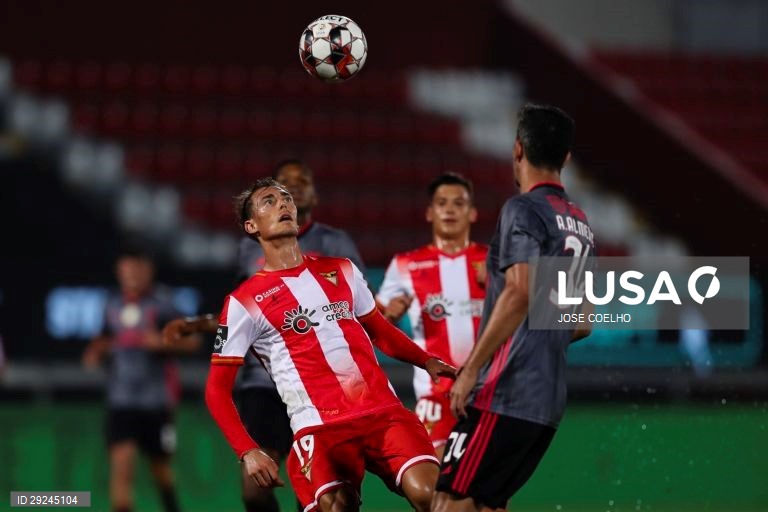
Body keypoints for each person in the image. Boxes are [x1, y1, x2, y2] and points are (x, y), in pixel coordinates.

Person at [205, 178, 457, 512]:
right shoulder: (243, 302)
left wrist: (425, 360)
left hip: (382, 413)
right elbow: (216, 390)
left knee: (432, 496)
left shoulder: (341, 270)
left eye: (286, 199)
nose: (283, 204)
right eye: (269, 201)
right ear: (252, 226)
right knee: (336, 507)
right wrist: (248, 450)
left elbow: (379, 330)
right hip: (319, 428)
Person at [164, 160, 365, 512]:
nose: (293, 190)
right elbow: (245, 314)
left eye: (301, 183)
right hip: (265, 383)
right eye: (282, 185)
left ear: (314, 195)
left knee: (329, 498)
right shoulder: (249, 250)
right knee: (254, 490)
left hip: (323, 385)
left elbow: (359, 308)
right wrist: (198, 323)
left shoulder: (336, 244)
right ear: (253, 222)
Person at [431, 104, 595, 512]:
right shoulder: (577, 221)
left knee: (447, 503)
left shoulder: (522, 209)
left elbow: (519, 293)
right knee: (488, 504)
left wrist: (471, 370)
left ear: (518, 150)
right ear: (566, 158)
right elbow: (581, 321)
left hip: (505, 390)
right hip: (547, 400)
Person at [376, 172, 487, 459]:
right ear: (430, 212)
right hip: (435, 394)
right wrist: (390, 316)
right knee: (435, 490)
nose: (449, 209)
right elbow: (372, 327)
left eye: (458, 203)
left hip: (488, 391)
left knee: (488, 493)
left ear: (472, 213)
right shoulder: (405, 265)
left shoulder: (493, 262)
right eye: (442, 203)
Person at [82, 248, 199, 512]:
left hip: (157, 403)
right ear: (119, 271)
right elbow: (102, 340)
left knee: (162, 471)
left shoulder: (164, 304)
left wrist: (162, 343)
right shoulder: (112, 305)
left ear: (149, 271)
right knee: (121, 470)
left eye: (138, 270)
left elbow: (193, 342)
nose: (132, 276)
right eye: (127, 270)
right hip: (121, 401)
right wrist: (95, 352)